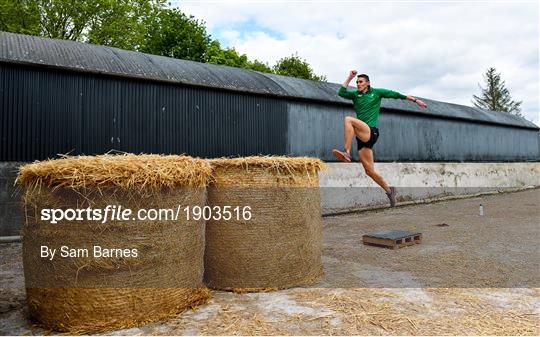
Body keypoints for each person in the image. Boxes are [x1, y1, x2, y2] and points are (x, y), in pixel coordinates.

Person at [332, 70, 428, 207]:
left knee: (348, 120)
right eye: (357, 82)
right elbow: (341, 92)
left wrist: (416, 100)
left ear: (368, 83)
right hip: (362, 137)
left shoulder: (376, 92)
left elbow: (396, 95)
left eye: (360, 82)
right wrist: (349, 77)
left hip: (371, 131)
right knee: (369, 171)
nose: (358, 84)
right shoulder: (355, 95)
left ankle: (346, 152)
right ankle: (390, 190)